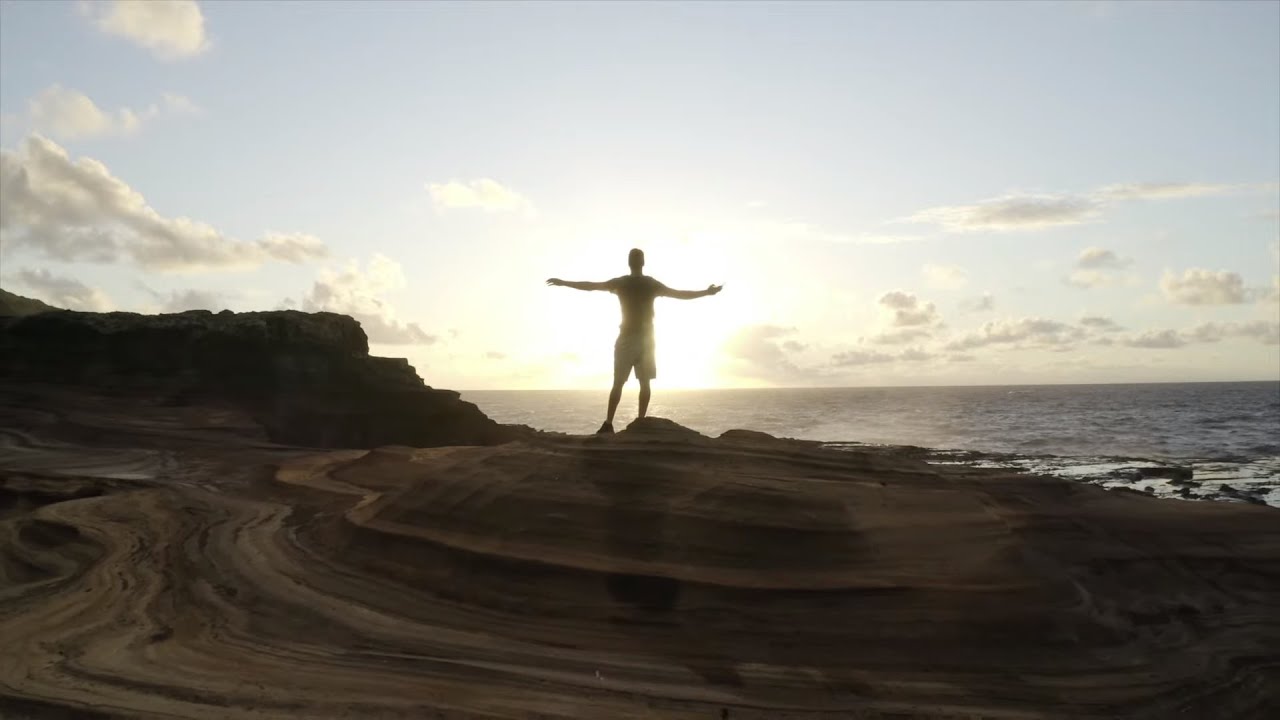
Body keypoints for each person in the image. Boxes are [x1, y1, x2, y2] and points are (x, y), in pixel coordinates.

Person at [547, 248, 722, 433]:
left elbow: (592, 286)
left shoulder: (622, 283)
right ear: (643, 263)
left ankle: (610, 423)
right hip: (646, 339)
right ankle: (639, 421)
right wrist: (706, 292)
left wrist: (564, 282)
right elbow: (679, 294)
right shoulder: (650, 284)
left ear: (629, 263)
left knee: (619, 383)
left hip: (629, 338)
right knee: (644, 383)